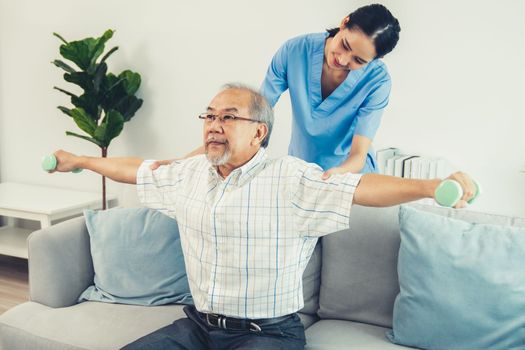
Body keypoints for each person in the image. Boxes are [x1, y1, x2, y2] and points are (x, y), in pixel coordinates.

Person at [50, 84, 475, 350]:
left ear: (259, 132)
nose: (214, 124)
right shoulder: (190, 174)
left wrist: (430, 187)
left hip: (266, 334)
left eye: (229, 117)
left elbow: (359, 187)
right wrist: (81, 160)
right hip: (197, 328)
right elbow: (141, 168)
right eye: (210, 116)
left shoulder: (291, 178)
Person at [261, 3, 401, 176]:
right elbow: (258, 113)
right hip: (300, 170)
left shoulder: (377, 81)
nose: (342, 60)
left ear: (377, 58)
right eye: (345, 45)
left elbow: (358, 154)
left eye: (358, 60)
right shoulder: (294, 51)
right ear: (344, 22)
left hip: (349, 176)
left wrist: (335, 175)